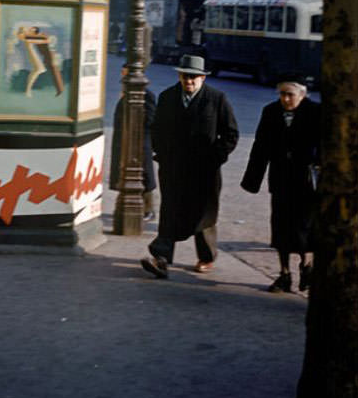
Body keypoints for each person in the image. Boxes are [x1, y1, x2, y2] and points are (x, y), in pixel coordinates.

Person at [141, 54, 239, 278]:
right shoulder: (167, 97)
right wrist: (162, 154)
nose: (189, 81)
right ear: (179, 76)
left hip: (205, 170)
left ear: (203, 78)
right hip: (174, 167)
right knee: (170, 211)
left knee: (203, 214)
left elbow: (231, 134)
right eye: (186, 76)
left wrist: (215, 158)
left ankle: (206, 256)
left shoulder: (217, 99)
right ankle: (162, 257)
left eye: (194, 77)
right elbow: (157, 129)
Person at [241, 73, 321, 294]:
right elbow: (260, 147)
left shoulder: (316, 112)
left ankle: (307, 266)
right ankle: (284, 274)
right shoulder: (271, 112)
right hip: (281, 180)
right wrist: (252, 179)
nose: (285, 99)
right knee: (280, 227)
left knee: (304, 227)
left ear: (302, 94)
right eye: (282, 94)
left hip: (307, 182)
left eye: (290, 94)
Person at [109, 65, 156, 220]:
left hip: (140, 143)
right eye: (122, 74)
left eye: (126, 74)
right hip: (125, 142)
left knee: (144, 176)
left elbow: (151, 120)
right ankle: (123, 205)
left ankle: (148, 209)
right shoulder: (125, 94)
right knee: (125, 174)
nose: (123, 78)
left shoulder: (146, 95)